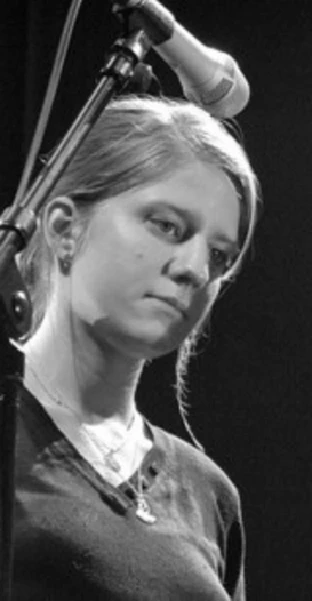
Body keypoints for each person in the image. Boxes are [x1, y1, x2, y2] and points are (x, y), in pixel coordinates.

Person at [9, 95, 260, 600]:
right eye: (166, 226)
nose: (195, 269)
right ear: (64, 228)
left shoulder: (209, 495)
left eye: (219, 255)